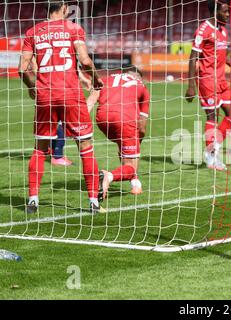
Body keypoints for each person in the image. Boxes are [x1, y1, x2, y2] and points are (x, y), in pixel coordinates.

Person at [18, 0, 104, 213]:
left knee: (40, 147)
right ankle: (93, 200)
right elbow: (84, 61)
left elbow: (22, 68)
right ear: (65, 8)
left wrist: (32, 87)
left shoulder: (33, 31)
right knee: (85, 145)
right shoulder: (74, 28)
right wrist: (95, 79)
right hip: (70, 94)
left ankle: (33, 199)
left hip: (45, 95)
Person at [185, 0, 231, 171]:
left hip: (221, 80)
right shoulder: (203, 29)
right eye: (225, 11)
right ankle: (211, 156)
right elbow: (193, 57)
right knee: (212, 116)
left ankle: (213, 148)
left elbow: (227, 56)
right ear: (215, 12)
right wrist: (191, 85)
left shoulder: (223, 30)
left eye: (228, 11)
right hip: (207, 80)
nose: (228, 14)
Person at [86, 65, 150, 200]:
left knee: (124, 145)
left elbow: (90, 102)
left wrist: (79, 124)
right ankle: (108, 176)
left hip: (102, 119)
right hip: (124, 119)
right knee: (131, 163)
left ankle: (135, 183)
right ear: (137, 77)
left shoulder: (105, 79)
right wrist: (138, 140)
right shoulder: (141, 86)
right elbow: (142, 127)